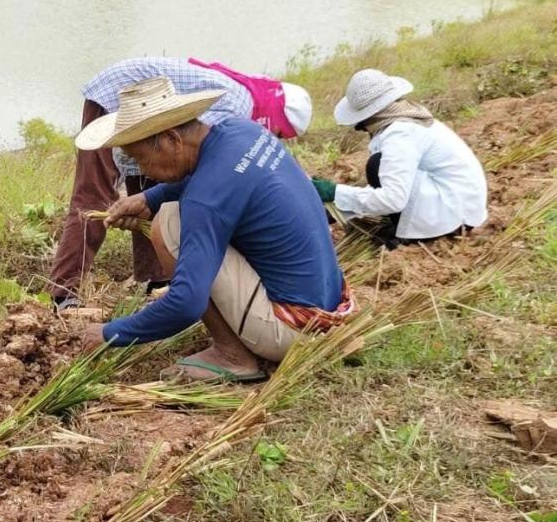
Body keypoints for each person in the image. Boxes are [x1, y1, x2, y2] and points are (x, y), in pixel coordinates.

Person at [77, 77, 352, 382]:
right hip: (331, 307)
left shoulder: (203, 202)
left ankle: (232, 356)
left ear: (171, 139)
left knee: (169, 224)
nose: (142, 171)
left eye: (141, 158)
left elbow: (185, 304)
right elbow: (224, 179)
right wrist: (147, 198)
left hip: (293, 329)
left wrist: (110, 333)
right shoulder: (243, 132)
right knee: (169, 211)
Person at [49, 57, 313, 308]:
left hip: (152, 115)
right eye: (279, 133)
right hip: (118, 95)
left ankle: (158, 278)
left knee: (155, 180)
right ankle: (64, 291)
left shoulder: (242, 113)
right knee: (94, 194)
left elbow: (182, 158)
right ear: (274, 119)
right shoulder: (236, 111)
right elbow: (195, 159)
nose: (275, 138)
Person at [311, 69, 487, 244]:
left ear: (366, 118)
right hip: (462, 202)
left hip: (454, 215)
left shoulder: (400, 134)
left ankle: (417, 236)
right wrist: (335, 211)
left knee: (376, 166)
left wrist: (334, 192)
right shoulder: (405, 115)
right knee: (379, 168)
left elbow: (392, 198)